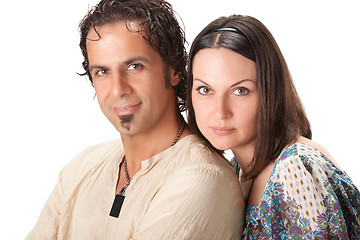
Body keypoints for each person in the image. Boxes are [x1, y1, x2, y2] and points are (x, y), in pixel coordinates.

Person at [26, 1, 245, 239]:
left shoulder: (203, 179)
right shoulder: (81, 167)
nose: (118, 89)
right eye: (102, 72)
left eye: (134, 66)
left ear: (173, 69)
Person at [186, 14, 360, 239]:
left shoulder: (294, 168)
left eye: (240, 91)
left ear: (270, 91)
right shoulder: (238, 170)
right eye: (205, 90)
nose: (220, 111)